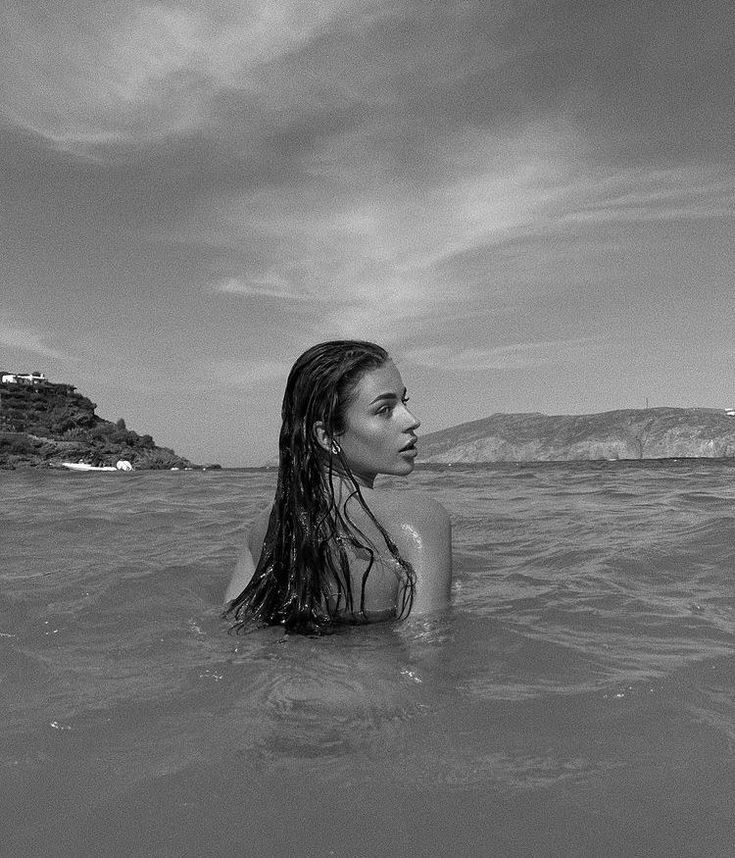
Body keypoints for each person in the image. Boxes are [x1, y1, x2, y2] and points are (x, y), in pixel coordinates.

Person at [223, 340, 452, 634]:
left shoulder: (267, 526)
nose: (412, 420)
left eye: (403, 402)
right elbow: (426, 656)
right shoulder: (420, 519)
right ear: (326, 435)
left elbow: (233, 625)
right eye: (384, 410)